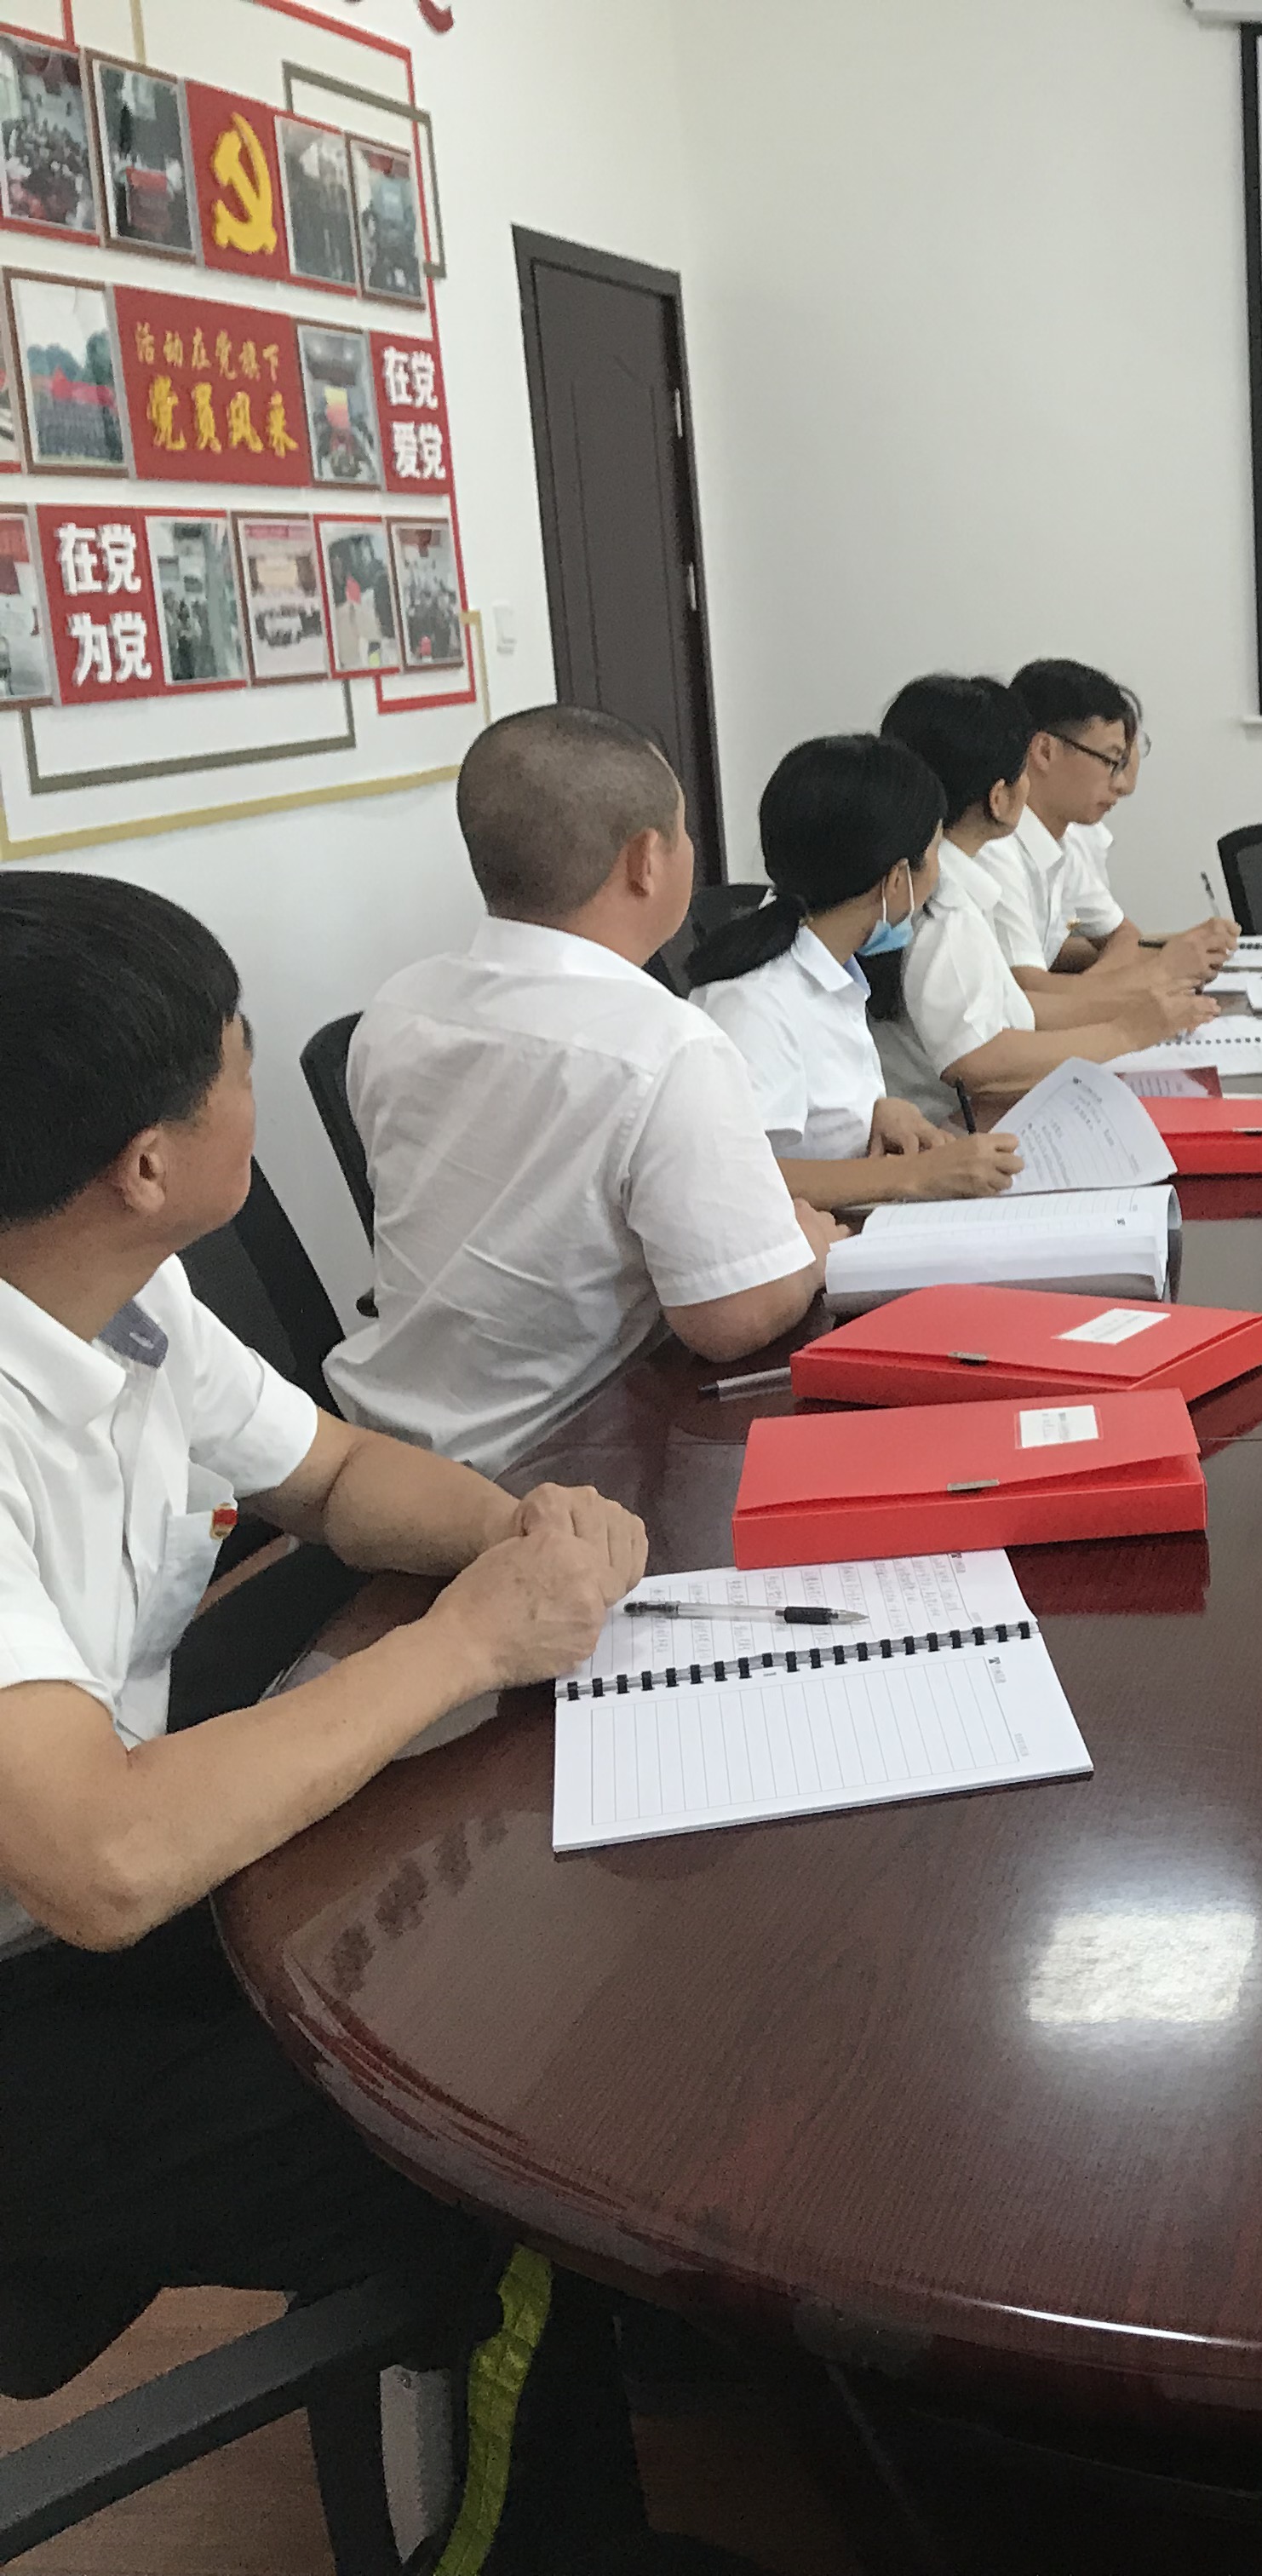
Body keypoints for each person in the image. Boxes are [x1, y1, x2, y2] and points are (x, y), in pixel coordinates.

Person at [0, 870, 749, 2575]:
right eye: (238, 1059)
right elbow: (102, 1860)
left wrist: (521, 1537)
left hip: (84, 1894)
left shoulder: (118, 1288)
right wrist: (470, 1640)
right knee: (487, 2151)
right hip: (40, 1991)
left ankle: (658, 2308)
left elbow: (330, 1474)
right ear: (146, 1161)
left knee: (528, 1942)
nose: (255, 1083)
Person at [330, 708, 841, 1481]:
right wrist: (808, 1253)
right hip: (555, 1461)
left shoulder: (400, 1006)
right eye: (682, 832)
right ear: (644, 861)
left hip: (388, 1454)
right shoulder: (668, 1045)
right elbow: (728, 1318)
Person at [685, 735, 1027, 1213]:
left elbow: (810, 1116)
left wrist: (873, 1116)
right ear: (896, 880)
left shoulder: (833, 972)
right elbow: (740, 1177)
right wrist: (917, 1175)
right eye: (934, 852)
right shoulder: (756, 1001)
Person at [875, 674, 1210, 1129]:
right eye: (1021, 772)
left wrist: (1140, 1007)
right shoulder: (944, 905)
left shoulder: (941, 883)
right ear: (999, 797)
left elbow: (1013, 1008)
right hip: (946, 1131)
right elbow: (978, 1060)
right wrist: (1126, 1031)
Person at [1004, 657, 1238, 989]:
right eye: (1111, 760)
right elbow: (1029, 996)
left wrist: (1137, 970)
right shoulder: (995, 848)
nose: (1122, 785)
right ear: (1044, 751)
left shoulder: (1060, 842)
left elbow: (1124, 936)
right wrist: (1151, 973)